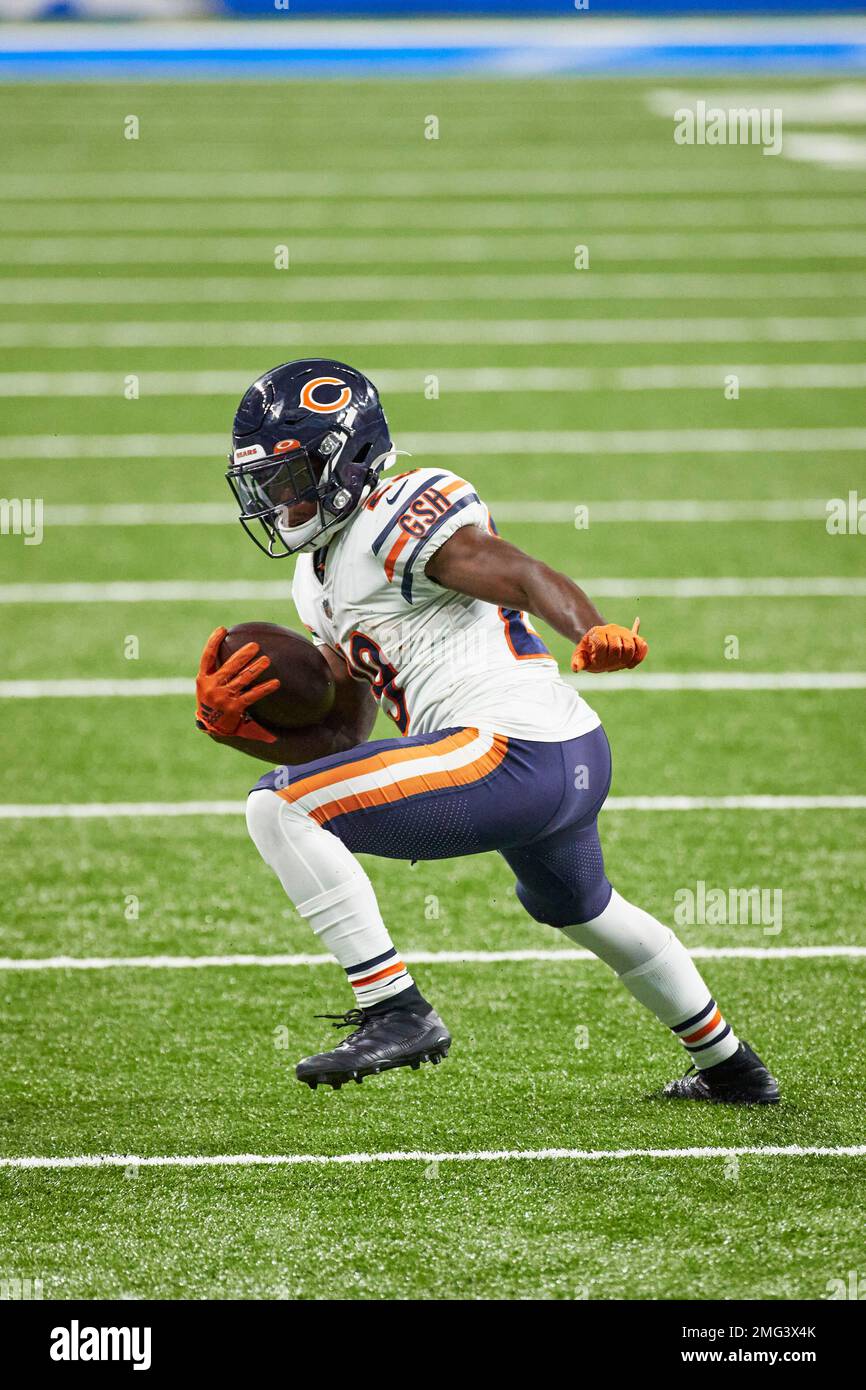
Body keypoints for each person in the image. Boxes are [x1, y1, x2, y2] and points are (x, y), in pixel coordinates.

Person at [195, 358, 778, 1104]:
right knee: (583, 909)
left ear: (342, 461)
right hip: (559, 755)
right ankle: (732, 1069)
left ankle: (395, 1008)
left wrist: (589, 627)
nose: (279, 500)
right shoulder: (316, 577)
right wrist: (240, 731)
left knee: (276, 807)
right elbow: (348, 746)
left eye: (289, 477)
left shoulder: (395, 514)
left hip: (511, 752)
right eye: (265, 484)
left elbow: (522, 573)